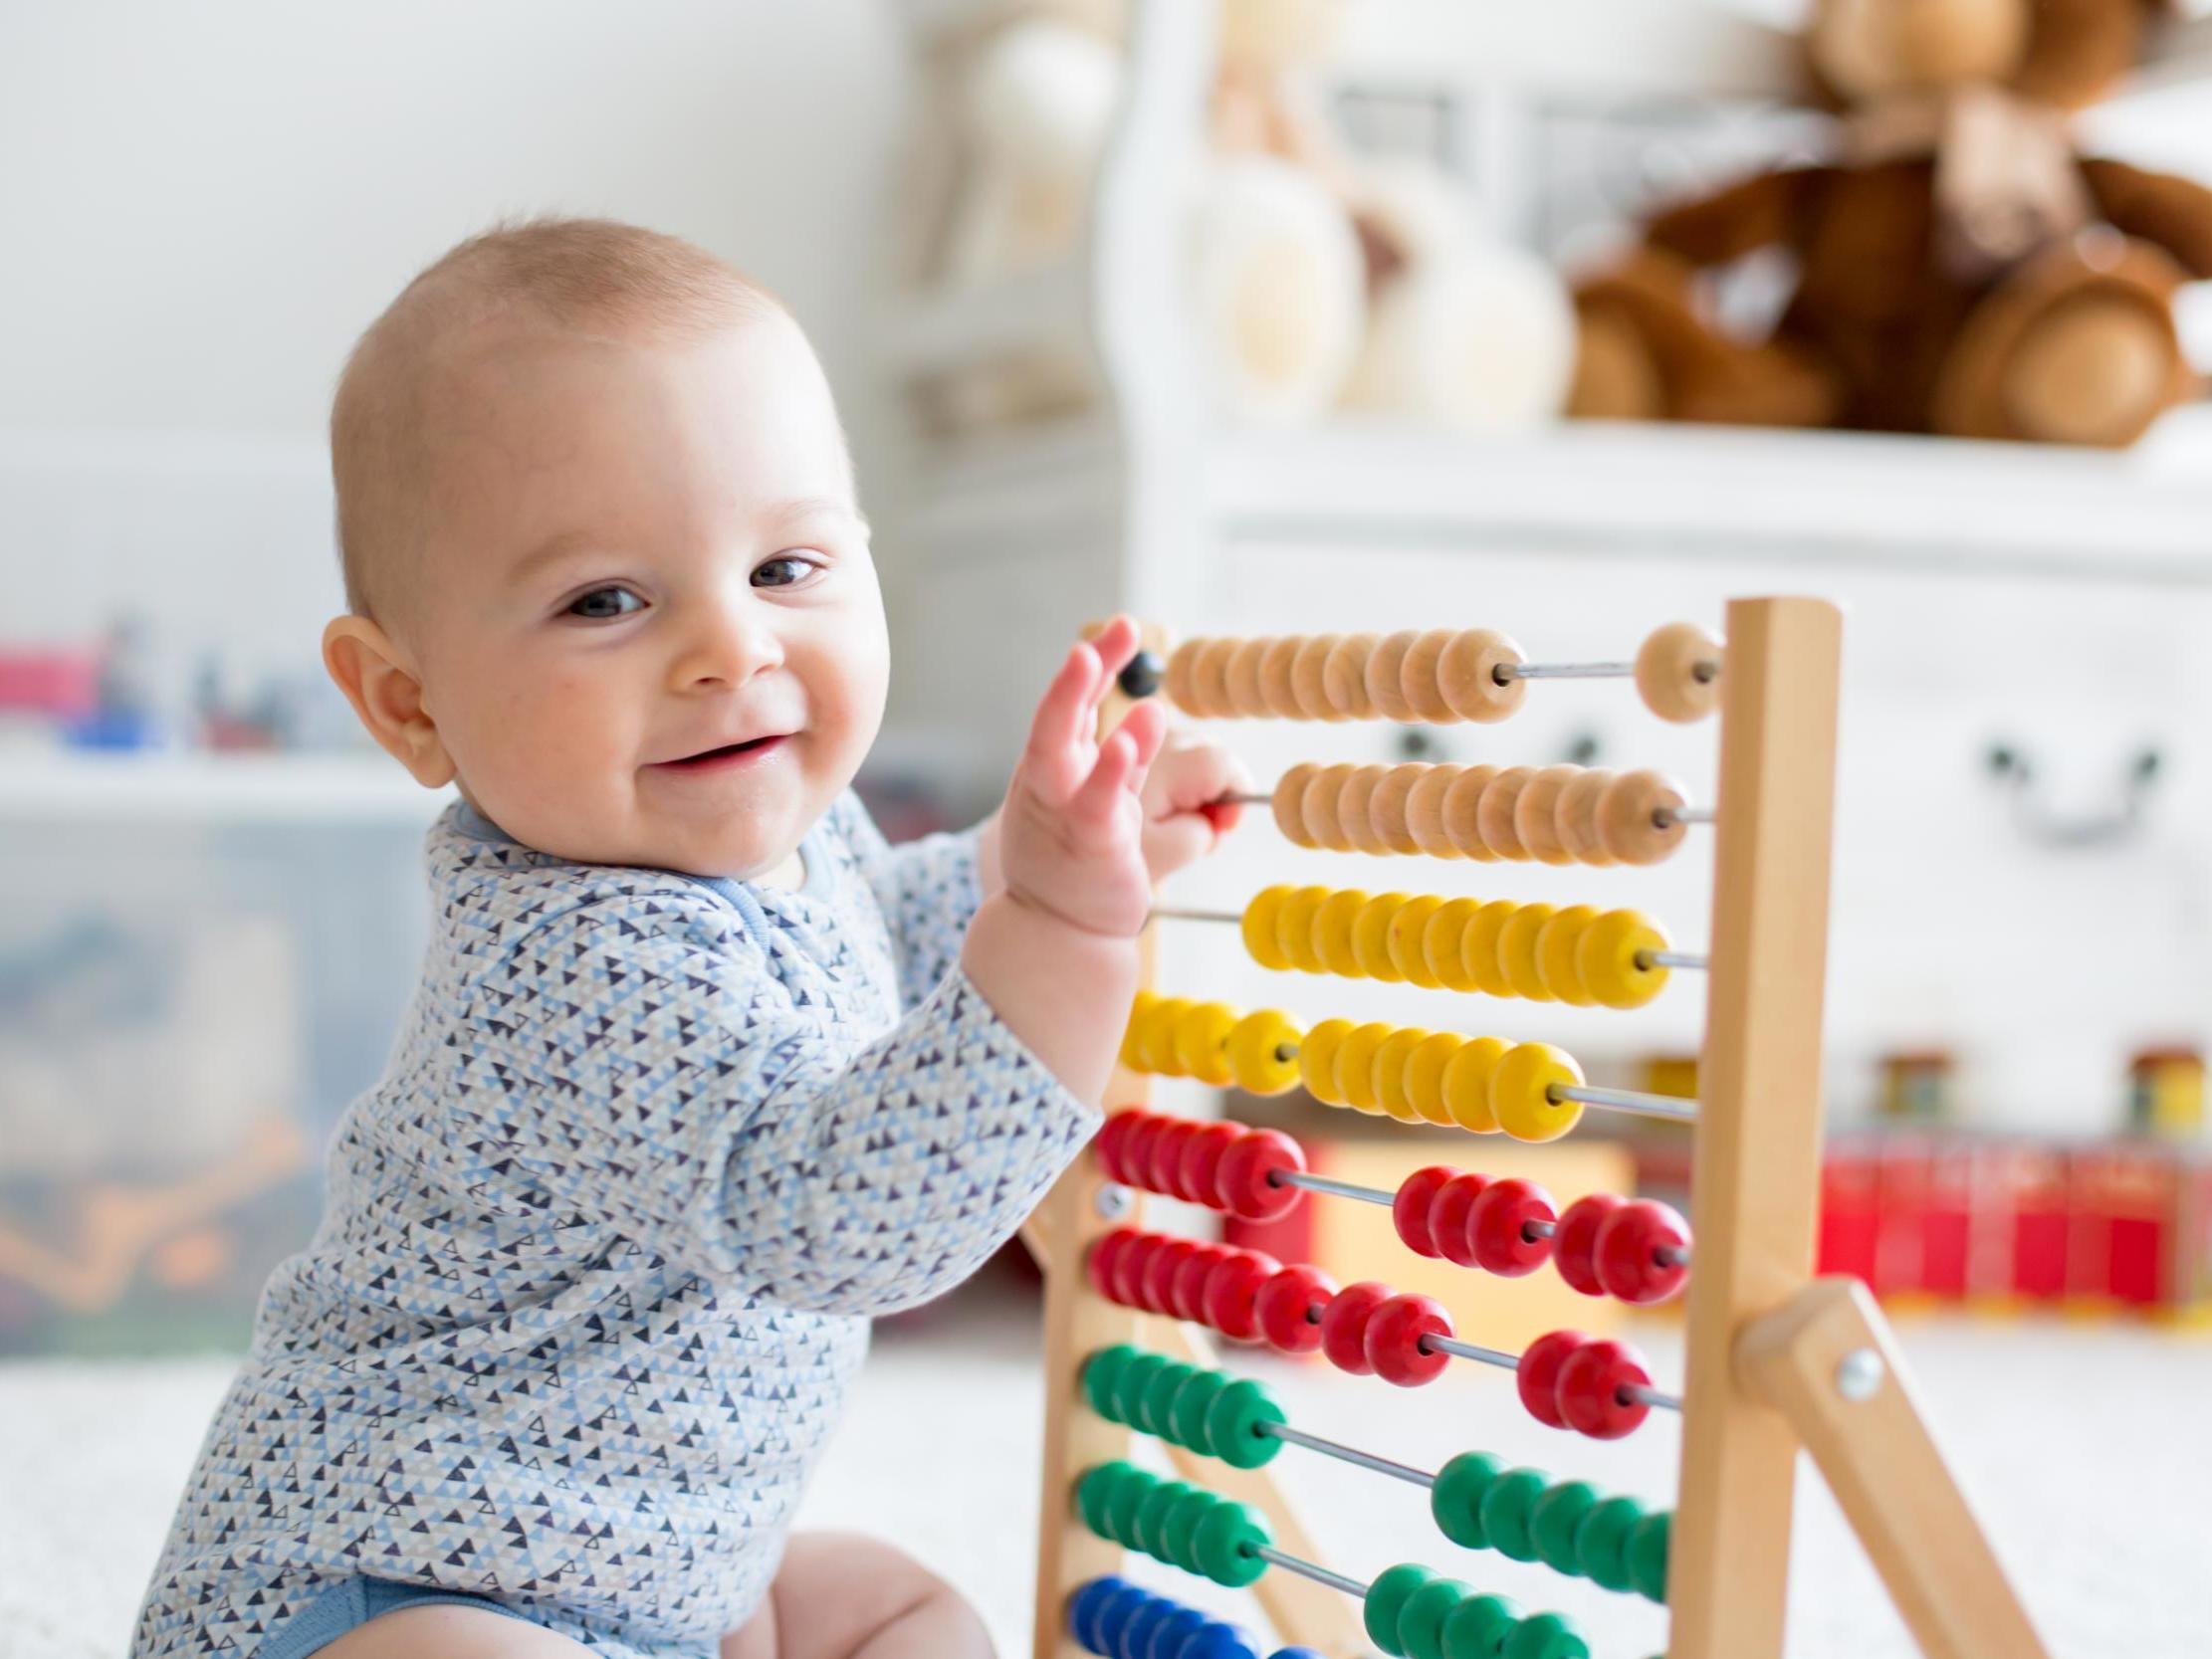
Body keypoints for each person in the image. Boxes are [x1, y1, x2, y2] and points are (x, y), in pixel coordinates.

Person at [132, 217, 1248, 1659]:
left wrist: (1018, 863)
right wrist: (1063, 932)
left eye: (786, 568)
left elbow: (878, 950)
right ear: (408, 704)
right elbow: (847, 1216)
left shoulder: (788, 844)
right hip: (393, 1587)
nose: (733, 648)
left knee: (902, 1608)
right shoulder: (567, 965)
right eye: (606, 600)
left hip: (668, 1588)